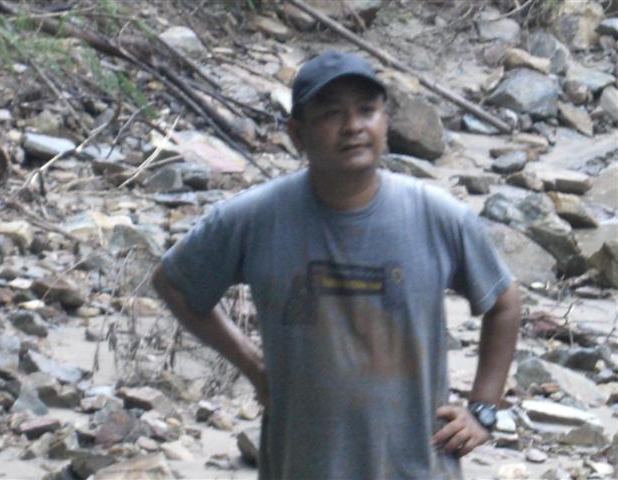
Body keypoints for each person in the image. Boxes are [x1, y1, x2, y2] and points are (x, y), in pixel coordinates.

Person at [152, 50, 521, 480]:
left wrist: (483, 408)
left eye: (367, 110)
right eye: (331, 114)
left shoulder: (437, 216)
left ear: (385, 122)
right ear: (297, 134)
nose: (353, 127)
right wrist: (253, 365)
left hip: (418, 465)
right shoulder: (254, 219)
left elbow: (504, 301)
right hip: (302, 464)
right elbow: (173, 283)